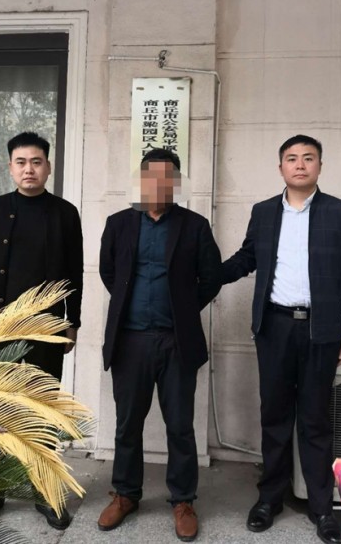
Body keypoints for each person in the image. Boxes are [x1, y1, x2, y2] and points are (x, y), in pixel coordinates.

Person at [221, 135, 341, 544]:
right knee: (274, 416)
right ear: (281, 167)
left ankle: (322, 508)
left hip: (322, 328)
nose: (300, 164)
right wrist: (207, 274)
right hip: (274, 327)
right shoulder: (264, 212)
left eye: (308, 158)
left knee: (315, 419)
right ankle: (269, 498)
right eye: (292, 158)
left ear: (320, 166)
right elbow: (247, 258)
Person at [98, 147, 221, 542]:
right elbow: (108, 272)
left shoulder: (195, 226)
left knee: (180, 426)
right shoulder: (118, 224)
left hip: (176, 341)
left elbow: (211, 277)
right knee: (127, 424)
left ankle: (183, 500)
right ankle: (125, 494)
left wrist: (183, 308)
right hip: (130, 340)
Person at [0, 131, 83, 530]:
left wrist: (71, 323)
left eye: (36, 162)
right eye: (21, 162)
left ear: (48, 167)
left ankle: (44, 490)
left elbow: (74, 276)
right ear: (10, 167)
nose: (28, 169)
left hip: (44, 329)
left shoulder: (64, 214)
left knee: (42, 410)